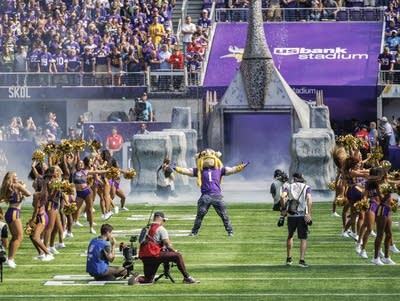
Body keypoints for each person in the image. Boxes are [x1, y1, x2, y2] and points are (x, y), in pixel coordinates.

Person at [172, 149, 248, 236]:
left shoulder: (220, 169)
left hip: (216, 196)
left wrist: (241, 167)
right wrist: (176, 168)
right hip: (206, 196)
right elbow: (187, 171)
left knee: (224, 215)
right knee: (200, 216)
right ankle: (194, 232)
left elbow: (231, 170)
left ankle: (230, 231)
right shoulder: (199, 170)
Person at [132, 211, 198, 284]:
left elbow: (141, 241)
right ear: (160, 218)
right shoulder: (161, 229)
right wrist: (174, 251)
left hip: (145, 256)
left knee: (148, 279)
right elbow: (168, 245)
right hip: (154, 254)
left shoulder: (145, 228)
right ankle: (187, 277)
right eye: (163, 220)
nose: (163, 222)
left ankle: (137, 279)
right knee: (177, 256)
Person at [0, 171, 32, 268]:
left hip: (10, 212)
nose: (17, 177)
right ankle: (10, 259)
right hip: (14, 212)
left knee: (15, 237)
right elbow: (29, 194)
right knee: (19, 237)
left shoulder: (6, 188)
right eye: (15, 176)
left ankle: (9, 259)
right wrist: (23, 186)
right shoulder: (17, 185)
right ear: (11, 178)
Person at [280, 173, 312, 267]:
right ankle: (301, 260)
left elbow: (282, 196)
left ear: (294, 179)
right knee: (303, 238)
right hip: (302, 215)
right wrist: (309, 213)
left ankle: (289, 259)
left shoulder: (289, 186)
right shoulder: (307, 187)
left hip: (291, 215)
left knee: (290, 236)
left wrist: (283, 209)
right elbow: (309, 198)